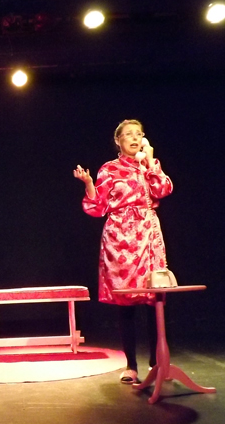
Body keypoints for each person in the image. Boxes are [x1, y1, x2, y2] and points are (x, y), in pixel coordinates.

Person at [73, 119, 173, 384]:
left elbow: (164, 189)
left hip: (148, 235)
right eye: (129, 134)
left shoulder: (149, 164)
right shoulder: (110, 169)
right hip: (121, 239)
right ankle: (131, 366)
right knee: (126, 302)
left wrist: (150, 162)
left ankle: (157, 364)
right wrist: (89, 183)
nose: (135, 138)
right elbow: (97, 207)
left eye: (139, 134)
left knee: (155, 299)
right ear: (118, 141)